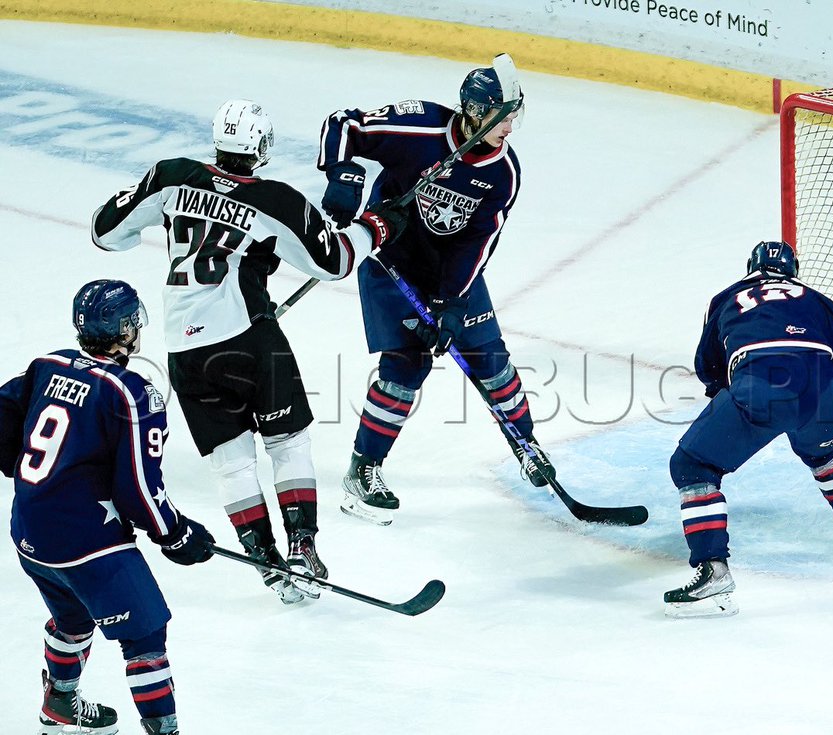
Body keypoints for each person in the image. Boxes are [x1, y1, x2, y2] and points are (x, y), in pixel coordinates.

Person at [90, 100, 406, 603]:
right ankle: (302, 546)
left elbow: (105, 232)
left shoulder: (171, 176)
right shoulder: (277, 200)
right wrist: (378, 227)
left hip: (184, 350)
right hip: (248, 339)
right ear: (261, 148)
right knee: (287, 442)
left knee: (230, 461)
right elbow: (337, 261)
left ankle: (264, 559)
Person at [317, 53, 551, 525]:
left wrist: (449, 303)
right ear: (473, 112)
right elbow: (343, 125)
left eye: (515, 115)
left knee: (491, 360)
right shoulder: (418, 127)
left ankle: (526, 446)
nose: (510, 127)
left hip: (450, 274)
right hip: (392, 262)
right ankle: (363, 470)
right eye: (503, 116)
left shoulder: (503, 173)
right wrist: (341, 174)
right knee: (405, 367)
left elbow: (477, 242)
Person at [1, 280, 214, 735]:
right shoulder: (132, 392)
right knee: (144, 638)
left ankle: (59, 705)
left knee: (72, 618)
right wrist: (174, 533)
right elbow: (138, 488)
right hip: (88, 544)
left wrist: (22, 470)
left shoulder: (47, 364)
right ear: (124, 328)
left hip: (29, 533)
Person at [663, 241, 833, 618]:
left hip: (760, 385)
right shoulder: (820, 301)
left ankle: (714, 575)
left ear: (751, 267)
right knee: (825, 453)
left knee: (692, 466)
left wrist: (732, 400)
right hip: (823, 393)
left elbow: (709, 370)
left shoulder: (726, 298)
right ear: (793, 271)